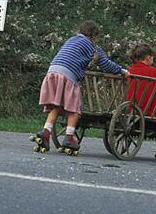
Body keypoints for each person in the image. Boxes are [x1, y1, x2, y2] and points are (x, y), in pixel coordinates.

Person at [31, 20, 127, 153]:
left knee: (56, 106)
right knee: (74, 109)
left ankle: (45, 133)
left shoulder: (71, 40)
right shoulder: (93, 47)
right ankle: (69, 137)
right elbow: (105, 64)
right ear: (93, 36)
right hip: (68, 74)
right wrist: (122, 71)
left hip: (52, 71)